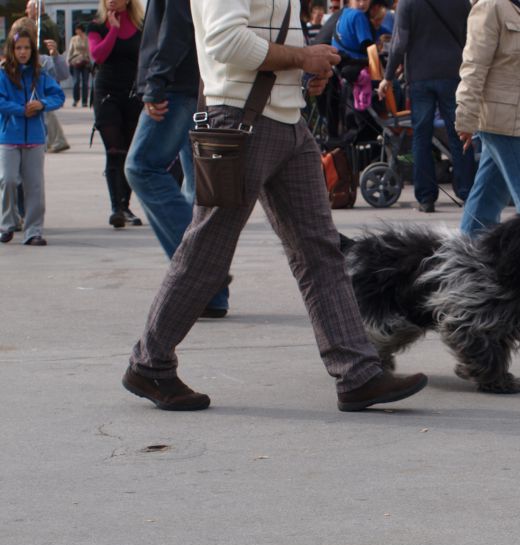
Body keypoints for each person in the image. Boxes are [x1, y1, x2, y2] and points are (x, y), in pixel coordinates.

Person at [123, 0, 427, 413]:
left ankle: (358, 372)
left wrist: (301, 76)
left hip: (284, 119)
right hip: (240, 121)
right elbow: (226, 42)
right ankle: (150, 362)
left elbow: (265, 37)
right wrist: (303, 58)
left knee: (320, 250)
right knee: (208, 250)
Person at [124, 0, 230, 319]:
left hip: (177, 87)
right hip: (198, 84)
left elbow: (177, 26)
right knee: (196, 191)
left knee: (141, 168)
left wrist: (155, 83)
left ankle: (203, 272)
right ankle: (211, 293)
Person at [455, 0, 520, 237]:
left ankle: (463, 255)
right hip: (503, 119)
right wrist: (465, 116)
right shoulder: (490, 6)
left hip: (518, 114)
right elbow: (473, 66)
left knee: (488, 196)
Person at [380, 0, 473, 213]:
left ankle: (426, 197)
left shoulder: (407, 2)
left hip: (420, 76)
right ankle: (467, 191)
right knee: (459, 133)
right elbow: (469, 34)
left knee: (421, 136)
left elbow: (399, 42)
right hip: (453, 72)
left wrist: (388, 76)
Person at [0, 26, 65, 246]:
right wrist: (21, 109)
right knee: (7, 180)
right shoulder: (3, 74)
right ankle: (7, 224)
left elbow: (58, 95)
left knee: (34, 185)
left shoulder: (40, 74)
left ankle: (34, 230)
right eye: (18, 47)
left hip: (35, 138)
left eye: (27, 47)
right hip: (9, 137)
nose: (23, 52)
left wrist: (42, 104)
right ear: (11, 49)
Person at [88, 0, 145, 229]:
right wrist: (112, 28)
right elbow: (98, 55)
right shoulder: (96, 25)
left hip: (134, 94)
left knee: (131, 153)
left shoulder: (141, 25)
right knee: (114, 152)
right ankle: (116, 209)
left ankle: (125, 204)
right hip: (107, 95)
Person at [25, 0, 69, 153]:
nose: (26, 11)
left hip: (42, 65)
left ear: (36, 8)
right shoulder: (51, 24)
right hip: (48, 63)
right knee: (43, 104)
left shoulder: (38, 26)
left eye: (28, 8)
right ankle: (56, 139)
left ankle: (57, 139)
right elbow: (61, 46)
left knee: (42, 103)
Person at [67, 25, 92, 107]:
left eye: (77, 29)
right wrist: (68, 60)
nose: (76, 31)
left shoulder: (87, 38)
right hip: (76, 61)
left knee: (85, 82)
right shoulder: (74, 39)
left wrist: (90, 61)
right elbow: (70, 50)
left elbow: (90, 50)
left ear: (81, 30)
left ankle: (84, 101)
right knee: (76, 81)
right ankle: (75, 99)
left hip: (85, 62)